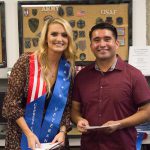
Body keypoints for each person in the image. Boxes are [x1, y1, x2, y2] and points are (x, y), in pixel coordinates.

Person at [71, 22, 150, 150]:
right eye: (96, 40)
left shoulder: (134, 75)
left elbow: (147, 111)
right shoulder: (81, 77)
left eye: (107, 39)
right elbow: (74, 110)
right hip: (89, 146)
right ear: (91, 46)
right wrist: (79, 120)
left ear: (116, 44)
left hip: (123, 146)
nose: (102, 44)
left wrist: (119, 124)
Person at [2, 17, 76, 150]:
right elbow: (10, 105)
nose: (59, 39)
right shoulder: (26, 63)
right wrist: (29, 134)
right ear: (45, 38)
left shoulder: (68, 69)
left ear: (69, 40)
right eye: (54, 34)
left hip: (54, 140)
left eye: (64, 35)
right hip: (22, 138)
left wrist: (63, 131)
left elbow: (66, 107)